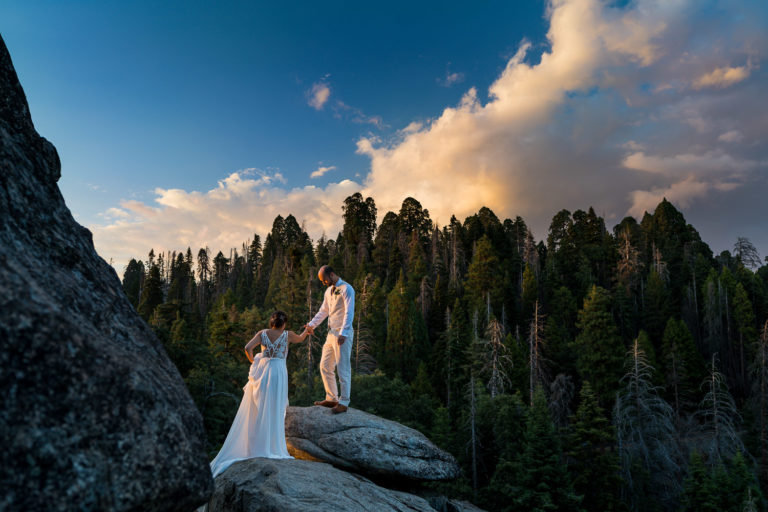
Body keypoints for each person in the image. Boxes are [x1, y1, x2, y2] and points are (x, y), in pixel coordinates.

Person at [209, 310, 309, 478]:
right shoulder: (288, 335)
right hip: (278, 372)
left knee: (260, 408)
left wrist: (253, 360)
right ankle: (271, 446)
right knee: (275, 408)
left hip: (264, 372)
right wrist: (307, 330)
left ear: (272, 322)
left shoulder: (262, 334)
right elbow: (300, 338)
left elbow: (247, 348)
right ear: (284, 323)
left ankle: (256, 445)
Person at [305, 265, 355, 414]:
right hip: (331, 333)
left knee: (342, 368)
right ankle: (331, 397)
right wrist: (311, 324)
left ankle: (344, 401)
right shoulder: (328, 291)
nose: (323, 283)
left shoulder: (347, 289)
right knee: (325, 365)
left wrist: (344, 333)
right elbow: (323, 311)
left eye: (324, 280)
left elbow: (349, 312)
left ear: (332, 275)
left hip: (342, 333)